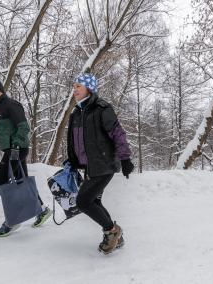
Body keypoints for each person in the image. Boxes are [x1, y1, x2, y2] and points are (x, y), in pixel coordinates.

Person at [66, 72, 134, 254]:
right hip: (90, 166)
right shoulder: (77, 113)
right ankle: (114, 236)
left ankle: (113, 231)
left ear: (89, 88)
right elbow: (75, 141)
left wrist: (125, 158)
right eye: (73, 87)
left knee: (83, 201)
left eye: (78, 86)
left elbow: (117, 133)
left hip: (104, 164)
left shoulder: (102, 108)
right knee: (94, 201)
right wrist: (73, 160)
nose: (74, 90)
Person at [0, 78, 52, 237]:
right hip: (12, 150)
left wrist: (16, 147)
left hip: (17, 150)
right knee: (22, 181)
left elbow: (23, 127)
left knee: (0, 180)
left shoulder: (11, 105)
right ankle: (42, 211)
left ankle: (13, 220)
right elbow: (6, 133)